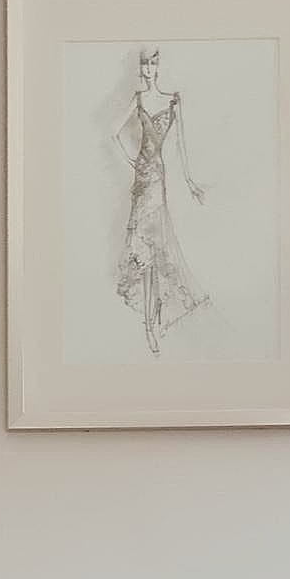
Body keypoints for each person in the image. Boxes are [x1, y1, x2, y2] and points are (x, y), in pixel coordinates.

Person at [114, 48, 209, 355]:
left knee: (158, 247)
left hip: (160, 179)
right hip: (143, 180)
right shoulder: (138, 99)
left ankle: (154, 321)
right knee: (145, 251)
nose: (148, 68)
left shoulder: (172, 100)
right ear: (140, 68)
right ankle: (148, 328)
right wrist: (132, 163)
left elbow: (181, 145)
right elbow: (114, 134)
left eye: (153, 63)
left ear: (159, 67)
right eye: (144, 63)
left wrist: (191, 182)